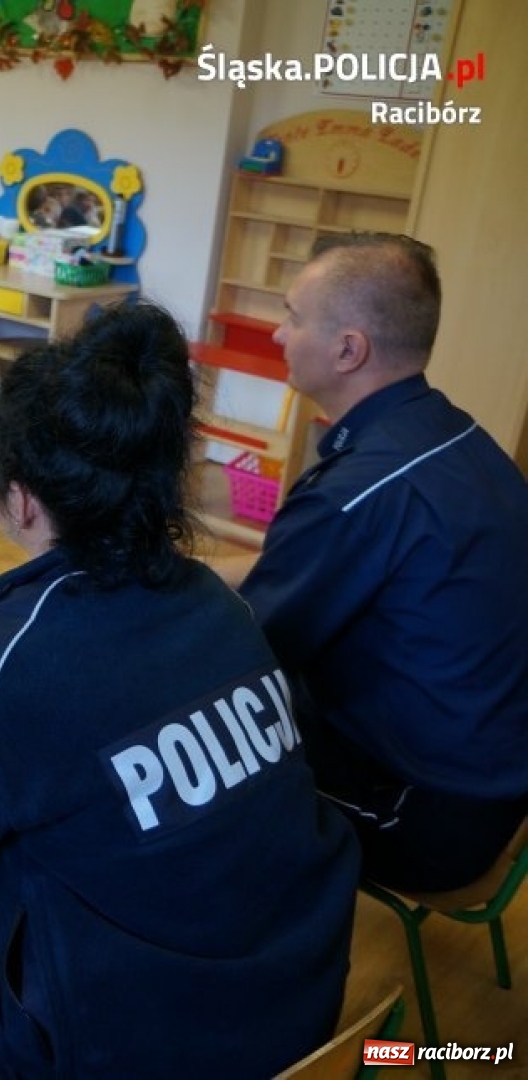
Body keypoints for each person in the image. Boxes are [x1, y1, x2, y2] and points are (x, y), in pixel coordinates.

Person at [0, 302, 360, 1079]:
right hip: (302, 1006)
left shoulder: (7, 667)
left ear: (20, 498)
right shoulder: (220, 607)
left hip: (121, 1054)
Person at [214, 233, 528, 893]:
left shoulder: (355, 494)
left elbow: (243, 647)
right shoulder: (453, 434)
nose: (278, 334)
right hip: (492, 780)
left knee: (188, 745)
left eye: (293, 317)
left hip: (426, 815)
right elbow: (299, 567)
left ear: (348, 350)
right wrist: (194, 573)